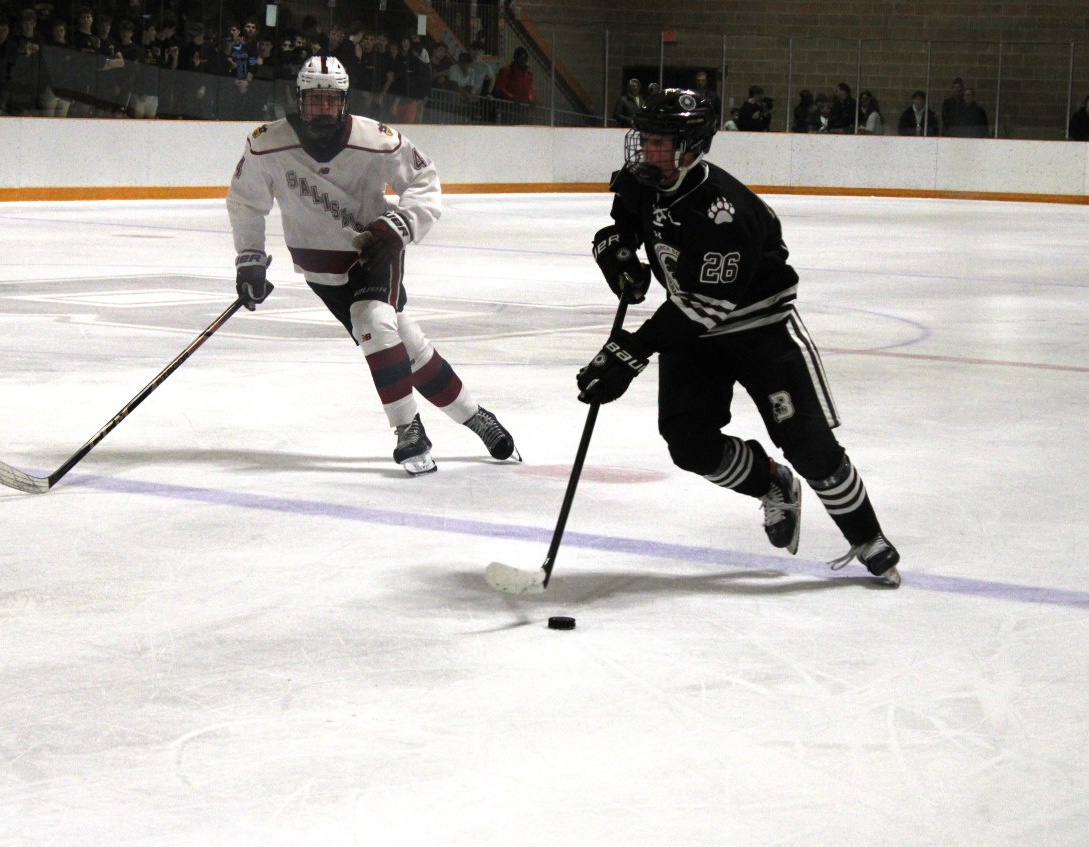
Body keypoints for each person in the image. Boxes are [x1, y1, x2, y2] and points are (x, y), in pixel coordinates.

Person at [575, 87, 901, 585]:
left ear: (691, 146)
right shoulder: (643, 181)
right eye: (644, 139)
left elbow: (702, 307)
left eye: (660, 142)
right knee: (688, 444)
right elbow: (621, 226)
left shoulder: (724, 212)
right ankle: (771, 484)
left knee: (808, 443)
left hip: (760, 332)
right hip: (694, 330)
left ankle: (866, 535)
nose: (646, 150)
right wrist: (616, 253)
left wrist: (631, 351)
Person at [225, 55, 519, 476]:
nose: (322, 109)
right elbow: (245, 202)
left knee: (372, 322)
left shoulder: (376, 140)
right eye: (314, 100)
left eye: (330, 100)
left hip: (375, 252)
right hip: (321, 272)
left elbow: (424, 179)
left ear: (343, 101)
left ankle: (408, 429)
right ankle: (476, 417)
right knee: (406, 347)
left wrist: (401, 225)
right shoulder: (267, 144)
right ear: (299, 100)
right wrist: (249, 260)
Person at [493, 46, 533, 124]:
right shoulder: (506, 70)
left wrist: (532, 100)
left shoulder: (528, 73)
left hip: (523, 109)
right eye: (521, 58)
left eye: (525, 58)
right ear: (515, 58)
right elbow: (500, 87)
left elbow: (529, 89)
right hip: (508, 108)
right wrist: (511, 98)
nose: (523, 61)